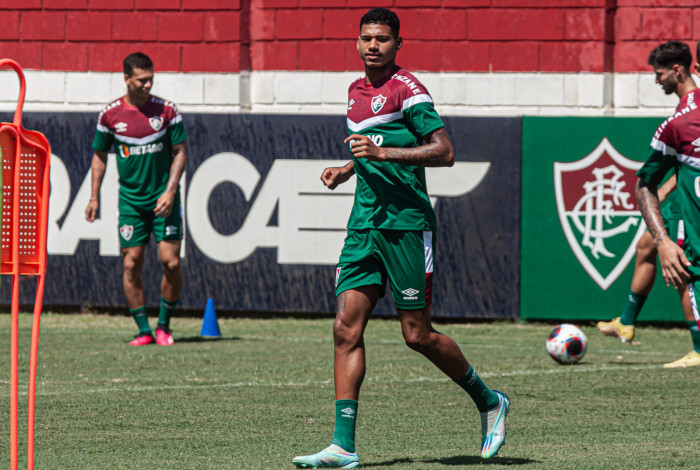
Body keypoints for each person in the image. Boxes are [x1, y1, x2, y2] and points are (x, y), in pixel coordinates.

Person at [292, 8, 508, 468]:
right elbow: (369, 148)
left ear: (398, 44)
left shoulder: (409, 89)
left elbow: (445, 152)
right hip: (364, 224)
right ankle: (343, 446)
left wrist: (381, 153)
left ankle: (489, 401)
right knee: (345, 327)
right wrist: (347, 168)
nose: (373, 45)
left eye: (383, 39)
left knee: (417, 334)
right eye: (367, 38)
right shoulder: (355, 91)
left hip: (407, 225)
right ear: (357, 42)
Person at [85, 52, 187, 347]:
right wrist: (94, 197)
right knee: (131, 265)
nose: (148, 84)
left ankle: (163, 326)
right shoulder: (109, 116)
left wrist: (170, 190)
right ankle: (144, 330)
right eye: (141, 80)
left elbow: (181, 152)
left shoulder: (167, 111)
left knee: (171, 263)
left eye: (151, 79)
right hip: (130, 202)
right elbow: (100, 156)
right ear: (126, 78)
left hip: (164, 200)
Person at [635, 40, 700, 368]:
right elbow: (645, 183)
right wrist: (662, 240)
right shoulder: (678, 124)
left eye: (659, 74)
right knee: (654, 251)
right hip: (684, 217)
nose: (657, 80)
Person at [596, 176, 689, 343]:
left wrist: (664, 190)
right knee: (645, 247)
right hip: (677, 200)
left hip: (688, 202)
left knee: (681, 271)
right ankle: (626, 322)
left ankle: (698, 348)